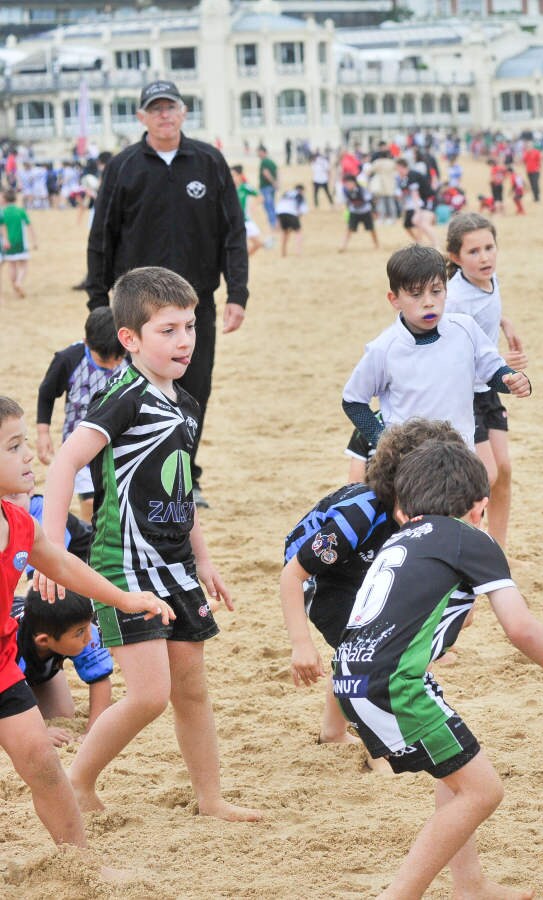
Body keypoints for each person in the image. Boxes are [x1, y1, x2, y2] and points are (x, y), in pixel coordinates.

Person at [335, 439, 543, 898]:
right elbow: (520, 627)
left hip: (352, 675)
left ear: (405, 508)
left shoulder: (400, 540)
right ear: (479, 507)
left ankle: (471, 886)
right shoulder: (473, 538)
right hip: (396, 683)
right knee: (482, 792)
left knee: (458, 773)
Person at [39, 266, 260, 822]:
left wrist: (203, 558)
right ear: (130, 339)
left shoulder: (183, 402)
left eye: (189, 326)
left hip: (176, 564)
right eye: (168, 329)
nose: (184, 339)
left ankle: (210, 799)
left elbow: (181, 489)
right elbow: (67, 460)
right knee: (147, 695)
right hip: (126, 566)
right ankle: (77, 780)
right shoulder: (125, 396)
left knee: (191, 690)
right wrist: (51, 544)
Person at [0, 395, 171, 869]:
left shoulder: (19, 522)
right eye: (14, 447)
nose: (29, 455)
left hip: (3, 667)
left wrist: (124, 599)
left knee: (43, 764)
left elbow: (62, 563)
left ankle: (81, 866)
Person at [86, 80, 248, 502]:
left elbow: (233, 232)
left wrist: (238, 294)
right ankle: (133, 474)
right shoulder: (123, 166)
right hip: (136, 308)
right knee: (134, 389)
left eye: (170, 107)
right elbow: (102, 236)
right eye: (154, 109)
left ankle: (185, 479)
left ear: (183, 112)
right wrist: (97, 302)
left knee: (194, 388)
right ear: (141, 117)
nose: (163, 115)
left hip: (196, 304)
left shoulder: (209, 162)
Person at [282, 418, 460, 762]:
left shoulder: (424, 513)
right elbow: (293, 576)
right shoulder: (359, 515)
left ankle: (334, 732)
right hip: (324, 578)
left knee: (379, 642)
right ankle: (378, 752)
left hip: (367, 569)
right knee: (369, 653)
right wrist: (301, 645)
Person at [342, 245, 530, 456]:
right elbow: (353, 401)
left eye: (436, 291)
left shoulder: (465, 328)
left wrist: (510, 379)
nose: (429, 302)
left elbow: (493, 371)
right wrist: (387, 445)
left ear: (446, 291)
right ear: (394, 299)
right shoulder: (383, 349)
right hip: (411, 465)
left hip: (462, 456)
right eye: (415, 294)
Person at [444, 214, 526, 548]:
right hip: (464, 393)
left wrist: (505, 324)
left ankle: (497, 548)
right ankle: (459, 546)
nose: (485, 257)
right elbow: (450, 353)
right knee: (485, 476)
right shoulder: (454, 299)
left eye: (489, 248)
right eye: (474, 251)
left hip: (487, 390)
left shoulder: (491, 280)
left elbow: (489, 310)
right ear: (455, 258)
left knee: (503, 469)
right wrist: (499, 363)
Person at [35, 308, 127, 521]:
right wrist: (43, 433)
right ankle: (89, 539)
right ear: (87, 342)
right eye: (105, 361)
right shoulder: (68, 359)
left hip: (120, 443)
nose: (113, 366)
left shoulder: (132, 358)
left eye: (118, 358)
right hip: (81, 442)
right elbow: (46, 394)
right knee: (90, 501)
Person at [13, 588, 113, 746]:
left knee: (60, 716)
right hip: (8, 668)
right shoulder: (9, 646)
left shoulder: (80, 628)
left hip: (33, 667)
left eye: (89, 624)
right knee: (25, 728)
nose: (89, 636)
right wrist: (36, 732)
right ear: (44, 641)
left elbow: (100, 679)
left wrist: (93, 731)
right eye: (80, 632)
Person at [1, 188, 35, 302]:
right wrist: (34, 241)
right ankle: (19, 282)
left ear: (5, 199)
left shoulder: (3, 212)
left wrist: (5, 240)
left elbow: (2, 227)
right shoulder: (21, 211)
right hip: (21, 242)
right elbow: (29, 226)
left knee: (12, 265)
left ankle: (15, 290)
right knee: (24, 264)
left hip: (8, 242)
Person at [396, 157, 438, 246]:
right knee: (416, 221)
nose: (397, 171)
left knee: (423, 223)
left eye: (397, 169)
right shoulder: (407, 177)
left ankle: (436, 244)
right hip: (425, 200)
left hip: (430, 199)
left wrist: (417, 211)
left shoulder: (412, 175)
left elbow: (415, 195)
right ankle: (420, 242)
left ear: (401, 167)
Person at [337, 174, 379, 254]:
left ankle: (376, 244)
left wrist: (374, 212)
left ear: (354, 183)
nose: (348, 185)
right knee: (349, 229)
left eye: (349, 183)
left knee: (371, 229)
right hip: (354, 212)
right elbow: (347, 202)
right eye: (346, 183)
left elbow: (371, 201)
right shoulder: (345, 190)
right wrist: (347, 210)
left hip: (365, 211)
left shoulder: (362, 190)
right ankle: (343, 246)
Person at [230, 166, 264, 257]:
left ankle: (243, 259)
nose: (231, 177)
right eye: (230, 175)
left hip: (245, 220)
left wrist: (254, 206)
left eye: (233, 175)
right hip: (233, 222)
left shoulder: (245, 187)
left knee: (258, 243)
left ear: (240, 176)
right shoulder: (228, 189)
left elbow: (260, 197)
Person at [275, 183, 307, 257]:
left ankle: (283, 252)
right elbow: (301, 210)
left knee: (285, 232)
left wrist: (278, 222)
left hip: (280, 212)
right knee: (298, 232)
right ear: (302, 190)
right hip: (291, 212)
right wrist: (297, 219)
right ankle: (298, 252)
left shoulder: (286, 193)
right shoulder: (300, 195)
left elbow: (279, 205)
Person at [255, 145, 278, 232]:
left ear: (263, 152)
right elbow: (277, 171)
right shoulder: (271, 161)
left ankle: (273, 225)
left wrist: (273, 182)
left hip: (266, 187)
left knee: (269, 206)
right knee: (271, 205)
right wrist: (276, 183)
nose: (258, 154)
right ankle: (275, 223)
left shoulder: (264, 162)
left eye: (259, 152)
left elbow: (266, 173)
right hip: (271, 187)